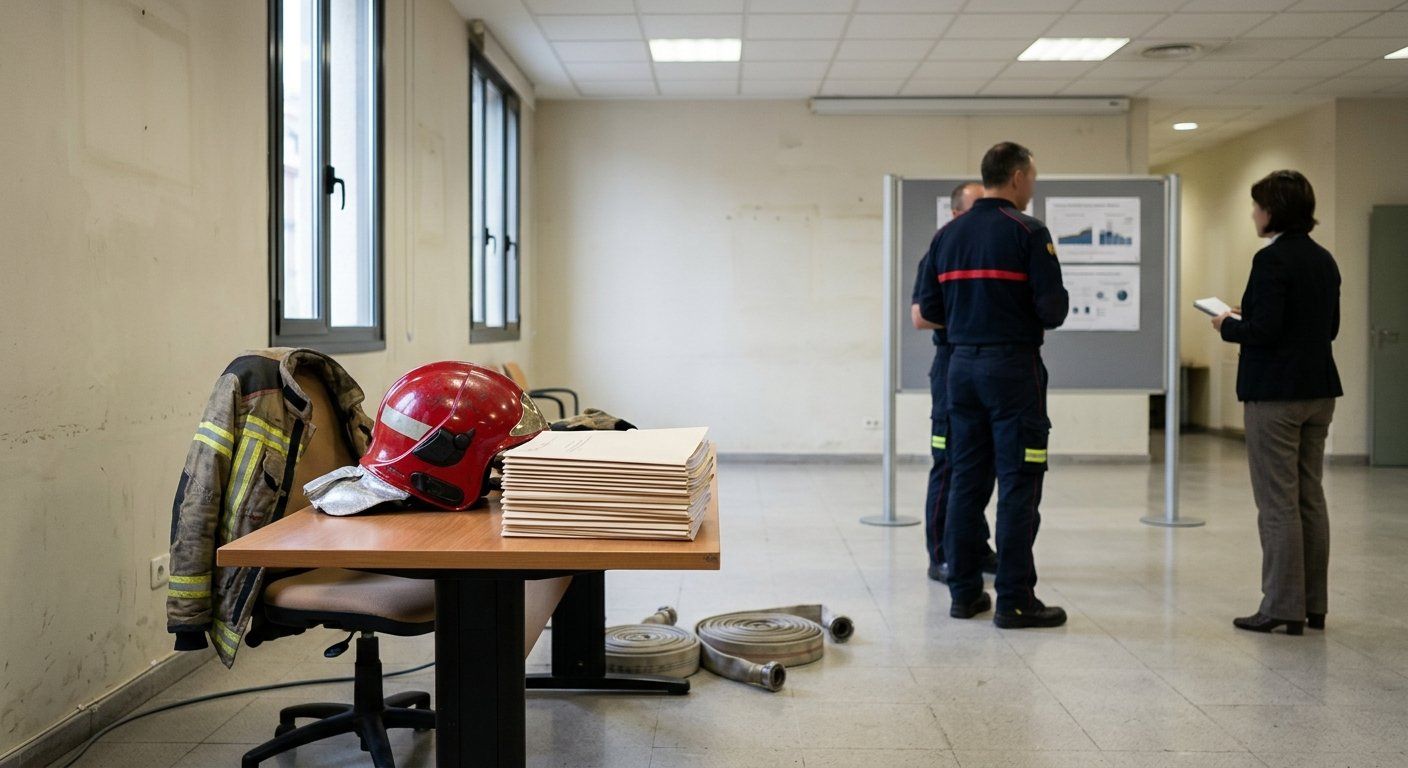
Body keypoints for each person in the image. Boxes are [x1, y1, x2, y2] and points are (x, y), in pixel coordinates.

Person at [915, 141, 1069, 629]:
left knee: (965, 480)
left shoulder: (947, 236)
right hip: (1012, 370)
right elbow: (1054, 310)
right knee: (1019, 482)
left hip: (959, 369)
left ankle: (964, 594)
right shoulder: (1028, 231)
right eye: (1033, 178)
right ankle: (1015, 600)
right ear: (1019, 177)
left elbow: (930, 312)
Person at [1211, 169, 1341, 636]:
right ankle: (1313, 604)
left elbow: (1262, 332)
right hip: (1319, 390)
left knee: (1277, 503)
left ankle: (1282, 606)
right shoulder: (1323, 260)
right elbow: (1326, 328)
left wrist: (1227, 323)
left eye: (1257, 206)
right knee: (1310, 497)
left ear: (1273, 211)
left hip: (1275, 396)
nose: (1253, 213)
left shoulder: (1271, 261)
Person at [911, 181, 997, 583]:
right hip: (951, 368)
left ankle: (974, 548)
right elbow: (919, 315)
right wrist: (972, 316)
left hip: (985, 366)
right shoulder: (939, 252)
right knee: (948, 466)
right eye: (977, 207)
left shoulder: (992, 255)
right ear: (957, 214)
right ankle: (941, 555)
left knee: (981, 467)